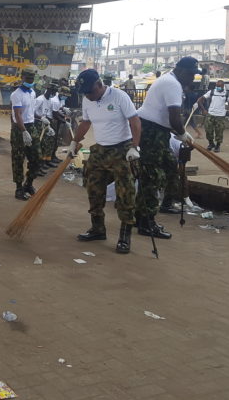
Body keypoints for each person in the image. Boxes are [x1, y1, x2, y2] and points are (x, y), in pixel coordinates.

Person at [67, 69, 141, 253]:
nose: (88, 96)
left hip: (122, 149)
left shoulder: (119, 96)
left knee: (125, 193)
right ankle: (97, 228)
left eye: (90, 92)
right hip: (100, 149)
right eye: (85, 93)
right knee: (93, 188)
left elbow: (135, 121)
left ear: (99, 85)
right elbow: (86, 122)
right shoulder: (87, 99)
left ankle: (125, 236)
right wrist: (74, 142)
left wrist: (135, 146)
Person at [134, 57, 199, 240]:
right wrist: (183, 134)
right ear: (183, 72)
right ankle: (146, 222)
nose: (193, 79)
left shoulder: (168, 79)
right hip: (152, 132)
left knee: (170, 167)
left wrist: (179, 133)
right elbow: (174, 118)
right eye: (192, 74)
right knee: (152, 176)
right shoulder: (172, 84)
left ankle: (148, 212)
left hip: (156, 131)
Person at [10, 66, 41, 201]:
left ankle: (28, 184)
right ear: (22, 78)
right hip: (19, 129)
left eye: (32, 78)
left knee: (37, 157)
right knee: (18, 159)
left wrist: (41, 119)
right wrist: (23, 132)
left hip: (31, 126)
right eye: (28, 78)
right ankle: (18, 188)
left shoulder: (32, 92)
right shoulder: (16, 94)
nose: (30, 80)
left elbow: (30, 112)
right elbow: (17, 115)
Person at [196, 79, 229, 152]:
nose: (217, 87)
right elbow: (199, 100)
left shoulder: (227, 94)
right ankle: (211, 143)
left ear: (223, 86)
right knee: (208, 130)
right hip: (210, 114)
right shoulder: (212, 92)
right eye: (217, 86)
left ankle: (217, 145)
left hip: (220, 116)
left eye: (219, 86)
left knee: (219, 132)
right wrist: (203, 110)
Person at [34, 84, 58, 170]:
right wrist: (41, 118)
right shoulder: (40, 99)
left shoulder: (50, 100)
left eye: (55, 92)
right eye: (52, 92)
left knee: (48, 143)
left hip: (46, 122)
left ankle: (46, 161)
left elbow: (50, 112)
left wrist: (49, 125)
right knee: (41, 144)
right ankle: (38, 164)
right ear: (48, 90)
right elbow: (32, 112)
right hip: (38, 122)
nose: (53, 94)